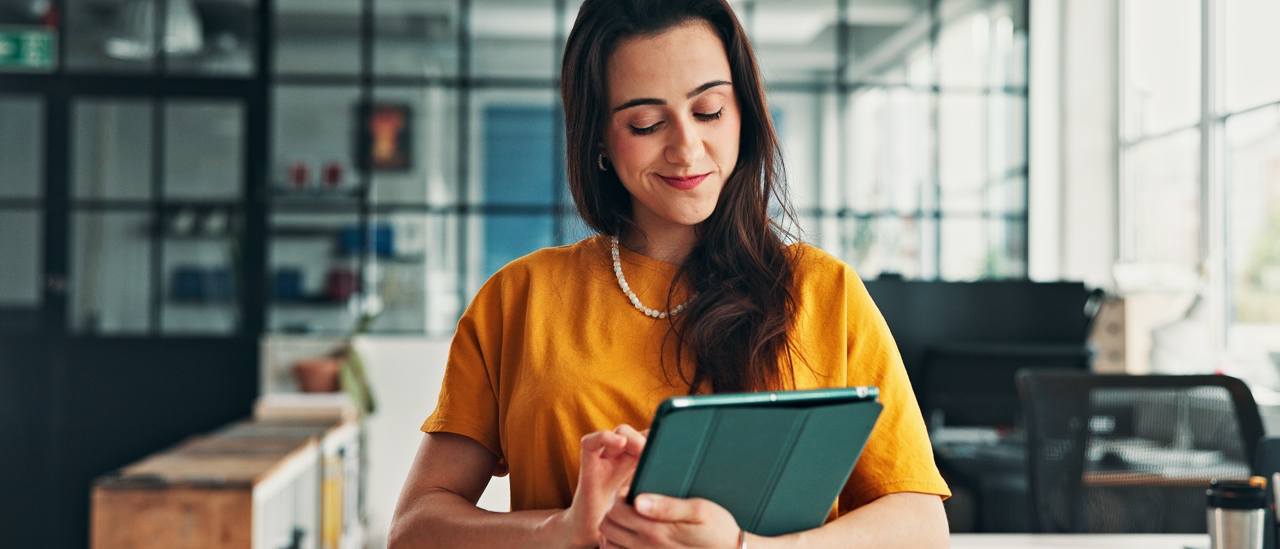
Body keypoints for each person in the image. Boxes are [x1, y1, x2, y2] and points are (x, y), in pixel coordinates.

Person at [389, 1, 950, 547]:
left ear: (745, 115)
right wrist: (561, 530)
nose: (686, 148)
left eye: (709, 112)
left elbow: (920, 526)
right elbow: (415, 527)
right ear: (600, 141)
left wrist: (745, 546)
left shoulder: (824, 292)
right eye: (647, 123)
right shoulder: (519, 299)